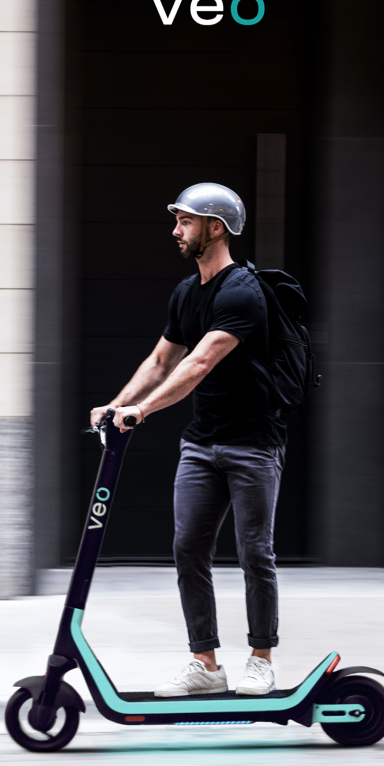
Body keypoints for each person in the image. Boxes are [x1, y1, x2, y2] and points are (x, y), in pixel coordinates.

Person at [90, 182, 287, 696]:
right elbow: (161, 360)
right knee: (188, 549)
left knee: (254, 553)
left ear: (214, 228)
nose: (176, 231)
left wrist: (143, 411)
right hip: (202, 444)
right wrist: (117, 405)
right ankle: (206, 664)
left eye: (185, 222)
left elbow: (198, 363)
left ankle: (261, 660)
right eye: (177, 221)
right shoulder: (186, 292)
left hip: (252, 445)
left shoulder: (243, 293)